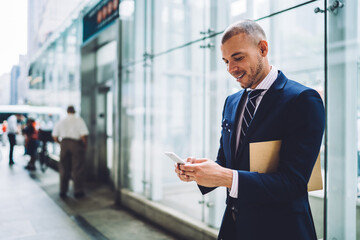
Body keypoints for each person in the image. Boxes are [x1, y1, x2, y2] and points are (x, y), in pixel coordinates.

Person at [174, 20, 325, 240]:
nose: (230, 69)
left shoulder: (302, 100)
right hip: (235, 228)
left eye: (238, 57)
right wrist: (199, 172)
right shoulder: (232, 102)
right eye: (226, 61)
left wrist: (225, 177)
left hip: (281, 230)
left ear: (263, 49)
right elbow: (227, 162)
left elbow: (293, 183)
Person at [52, 106, 89, 199]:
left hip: (64, 143)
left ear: (67, 111)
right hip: (75, 143)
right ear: (74, 111)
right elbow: (84, 135)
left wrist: (61, 143)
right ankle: (78, 191)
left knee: (64, 168)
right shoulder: (79, 120)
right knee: (78, 167)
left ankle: (63, 191)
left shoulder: (61, 121)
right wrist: (84, 146)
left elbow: (55, 136)